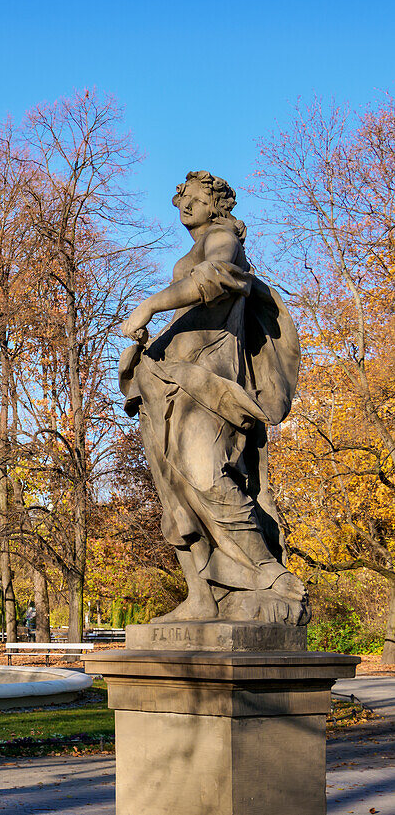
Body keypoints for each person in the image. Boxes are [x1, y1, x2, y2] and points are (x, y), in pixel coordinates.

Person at [119, 171, 309, 626]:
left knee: (206, 476)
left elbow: (220, 279)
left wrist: (149, 306)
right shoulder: (189, 251)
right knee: (175, 490)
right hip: (168, 381)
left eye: (196, 198)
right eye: (181, 196)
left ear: (217, 206)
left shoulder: (223, 238)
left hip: (209, 382)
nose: (185, 204)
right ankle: (202, 595)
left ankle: (270, 576)